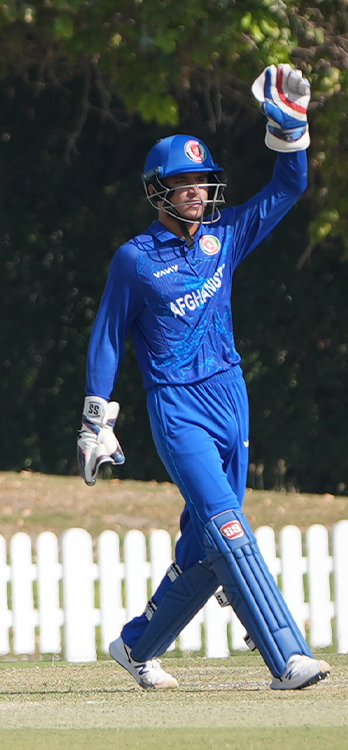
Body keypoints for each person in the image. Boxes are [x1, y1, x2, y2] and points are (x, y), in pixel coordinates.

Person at [81, 64, 330, 691]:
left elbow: (287, 188)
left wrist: (291, 123)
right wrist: (96, 416)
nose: (196, 191)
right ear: (158, 191)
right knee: (226, 523)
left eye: (202, 180)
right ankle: (286, 656)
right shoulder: (135, 261)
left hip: (231, 397)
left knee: (205, 544)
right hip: (178, 407)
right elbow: (109, 337)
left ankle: (136, 645)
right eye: (183, 183)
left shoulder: (224, 238)